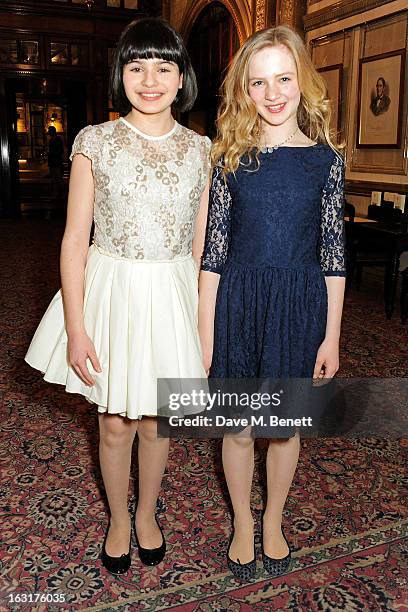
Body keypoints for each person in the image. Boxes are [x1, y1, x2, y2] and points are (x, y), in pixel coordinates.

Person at [25, 18, 211, 575]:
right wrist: (77, 328)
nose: (149, 80)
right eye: (136, 67)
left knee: (158, 418)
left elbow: (204, 250)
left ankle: (148, 512)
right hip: (113, 292)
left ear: (181, 78)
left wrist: (207, 326)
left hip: (173, 293)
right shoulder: (95, 143)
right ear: (120, 75)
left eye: (163, 67)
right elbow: (74, 239)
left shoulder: (201, 150)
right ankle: (116, 518)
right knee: (113, 420)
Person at [199, 25, 346, 581]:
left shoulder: (327, 162)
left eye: (284, 77)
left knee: (285, 426)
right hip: (238, 301)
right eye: (259, 82)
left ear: (303, 81)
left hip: (299, 306)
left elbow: (333, 256)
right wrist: (206, 331)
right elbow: (213, 254)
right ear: (245, 91)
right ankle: (241, 519)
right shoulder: (229, 159)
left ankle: (275, 516)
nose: (274, 92)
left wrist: (331, 336)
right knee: (237, 425)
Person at [47, 125, 64, 200]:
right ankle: (56, 193)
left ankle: (62, 193)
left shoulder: (58, 140)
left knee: (59, 178)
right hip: (52, 162)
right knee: (54, 179)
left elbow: (60, 151)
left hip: (57, 162)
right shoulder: (51, 140)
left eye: (49, 131)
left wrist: (51, 153)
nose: (48, 132)